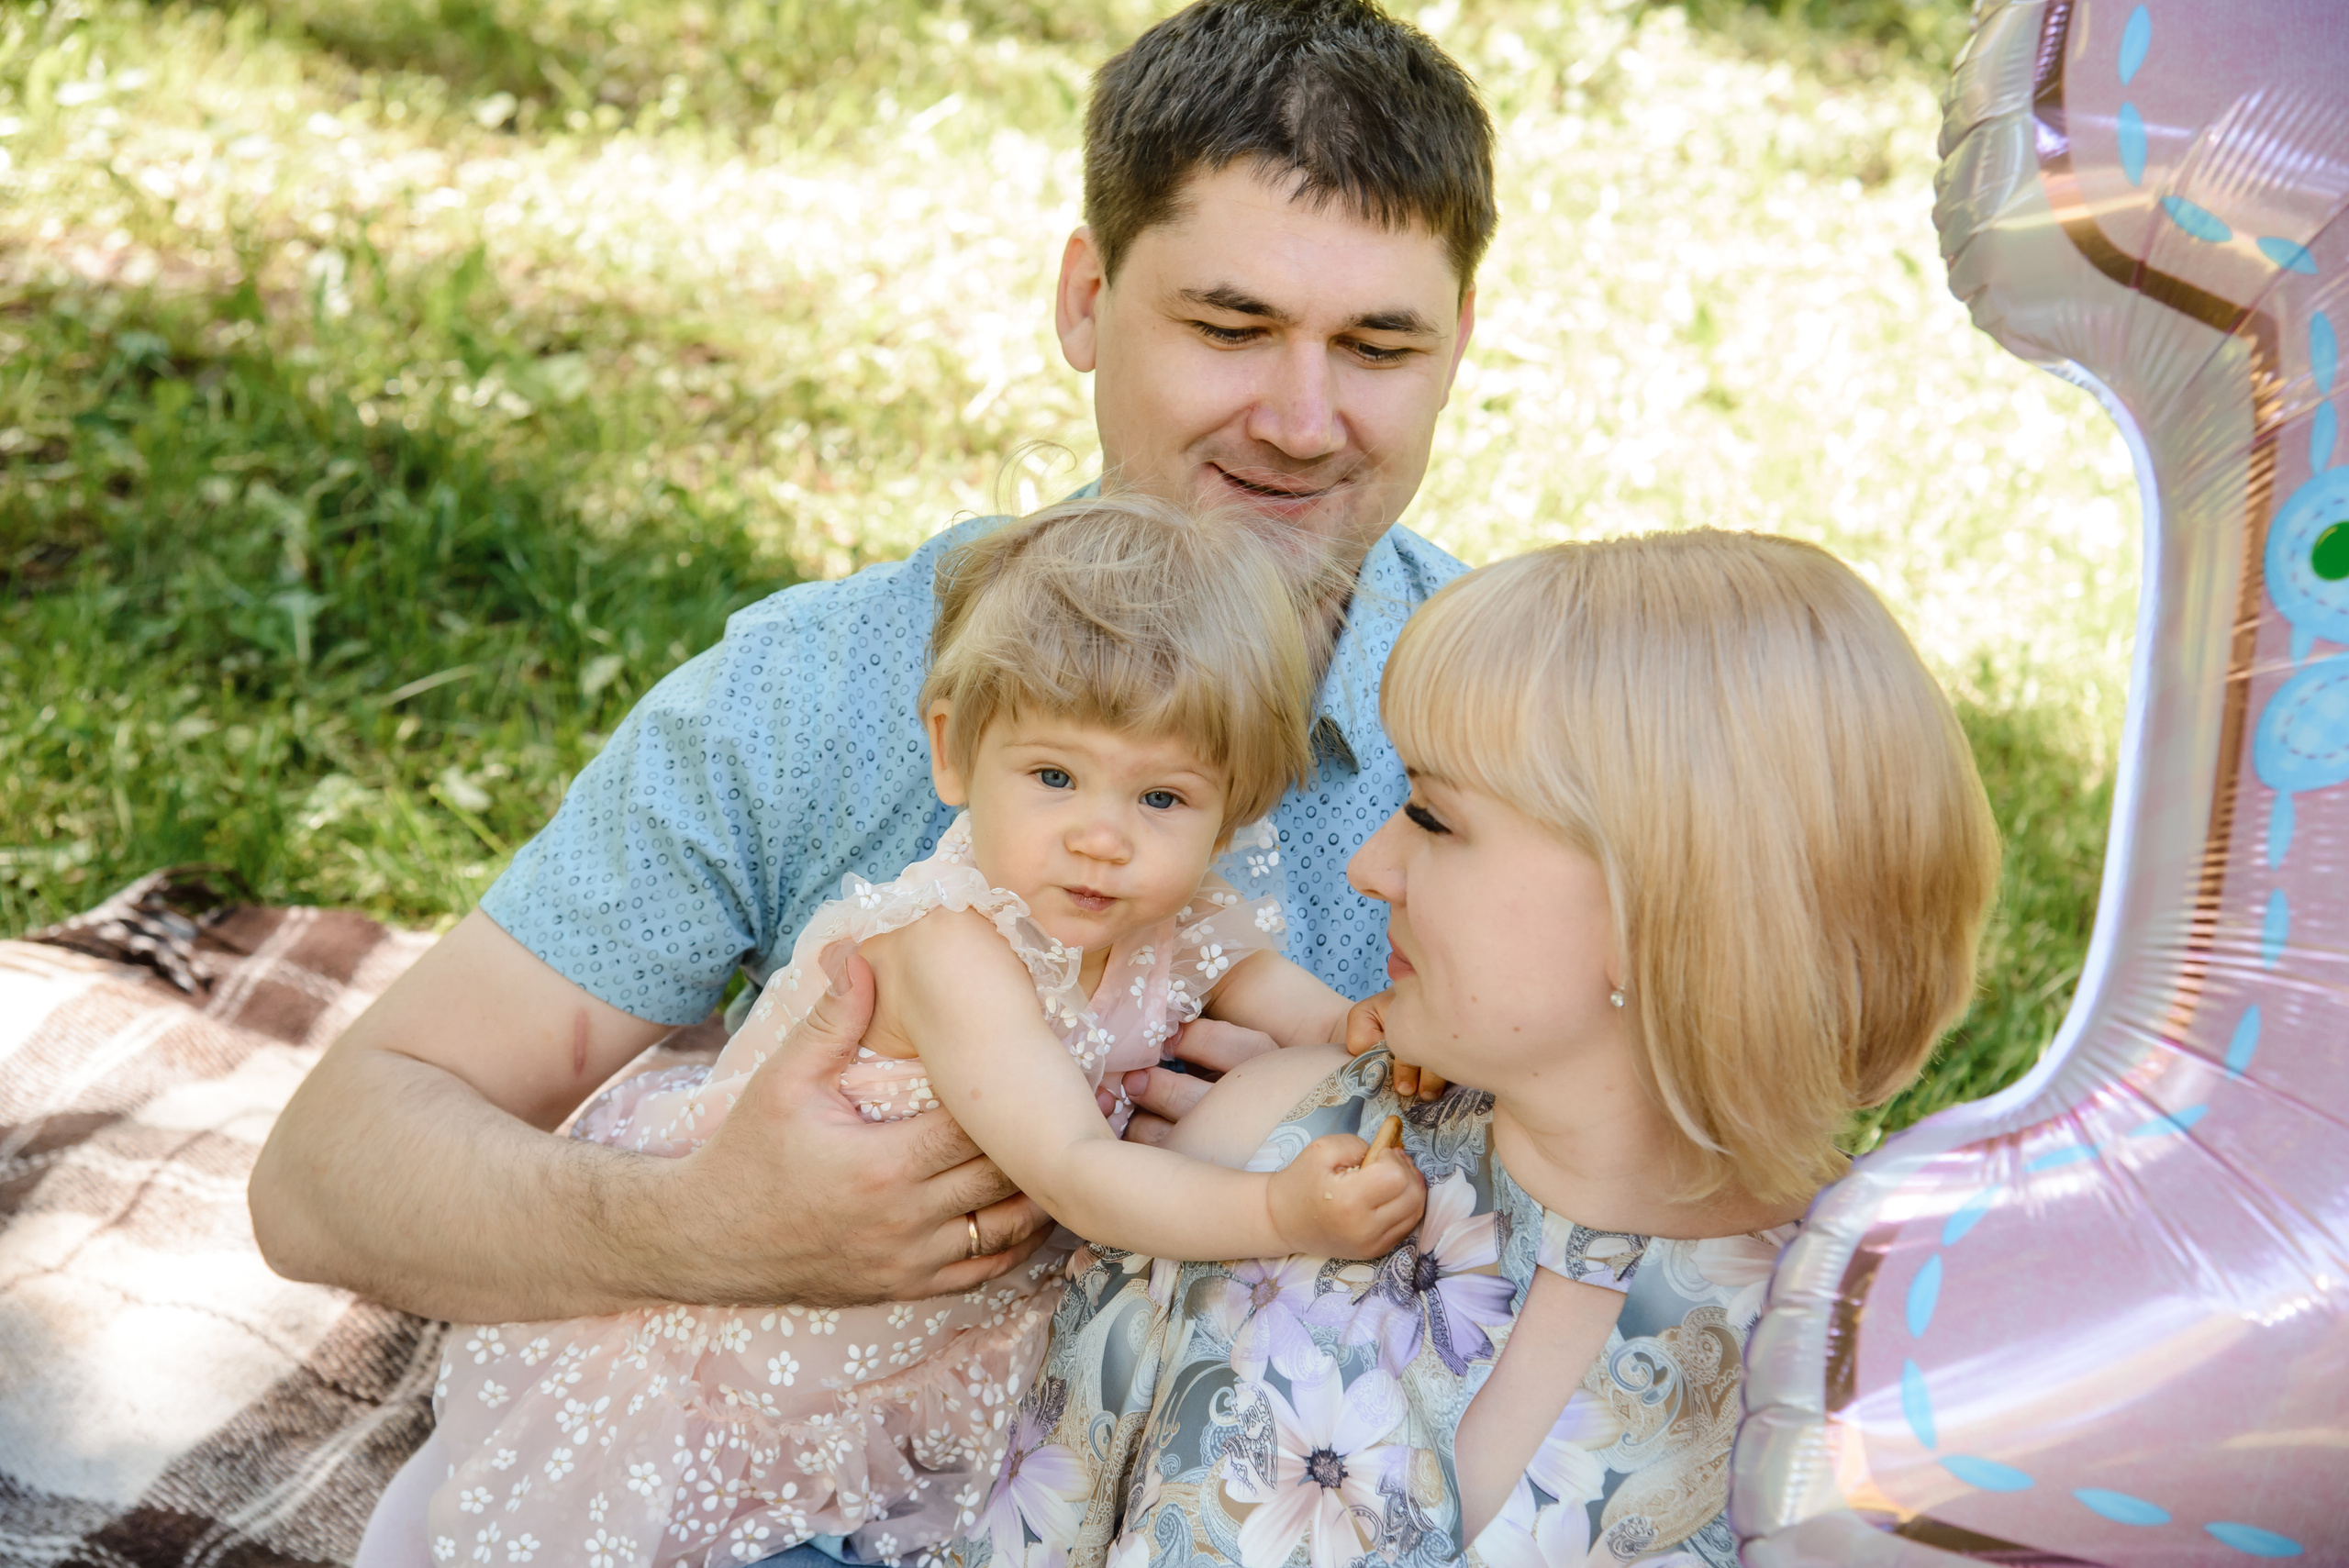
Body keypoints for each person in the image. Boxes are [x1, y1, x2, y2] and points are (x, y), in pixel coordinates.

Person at [249, 0, 1494, 1330]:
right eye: (1231, 326)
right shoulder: (819, 690)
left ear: (1459, 342)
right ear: (1087, 301)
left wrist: (1417, 1124)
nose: (1303, 423)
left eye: (1376, 346)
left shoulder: (1542, 728)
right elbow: (325, 1178)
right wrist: (709, 1225)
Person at [393, 496, 1426, 1568]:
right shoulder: (953, 951)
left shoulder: (1178, 916)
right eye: (1054, 775)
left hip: (923, 1356)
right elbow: (1073, 1169)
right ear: (954, 751)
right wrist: (1279, 1205)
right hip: (764, 1372)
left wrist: (1373, 1026)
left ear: (1234, 807)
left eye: (1161, 796)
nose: (1101, 836)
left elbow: (1299, 1004)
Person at [1000, 530, 2002, 1567]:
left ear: (1659, 905)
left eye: (1432, 817)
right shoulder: (1270, 1148)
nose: (1368, 863)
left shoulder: (1878, 1378)